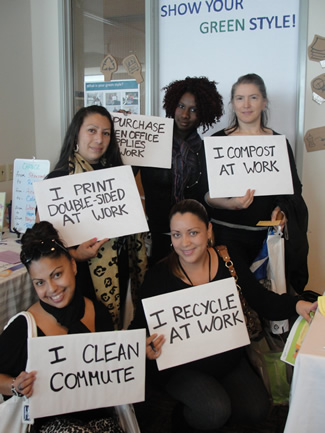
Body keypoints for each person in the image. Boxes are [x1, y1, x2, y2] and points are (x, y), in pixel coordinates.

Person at [130, 199, 316, 433]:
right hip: (182, 367)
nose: (184, 243)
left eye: (193, 232)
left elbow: (260, 298)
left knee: (256, 409)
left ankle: (209, 414)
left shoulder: (228, 260)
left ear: (209, 230)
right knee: (214, 410)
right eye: (177, 234)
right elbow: (137, 329)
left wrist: (297, 304)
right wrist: (142, 346)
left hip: (227, 359)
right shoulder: (159, 276)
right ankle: (184, 419)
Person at [0, 221, 124, 433]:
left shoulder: (98, 313)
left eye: (57, 274)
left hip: (101, 419)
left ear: (74, 266)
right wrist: (15, 385)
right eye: (40, 282)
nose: (52, 289)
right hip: (50, 425)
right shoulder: (25, 327)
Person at [45, 105, 148, 329]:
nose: (99, 139)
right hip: (77, 274)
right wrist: (75, 254)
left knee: (111, 329)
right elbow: (41, 243)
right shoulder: (56, 179)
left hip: (118, 269)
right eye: (92, 130)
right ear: (77, 133)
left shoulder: (117, 174)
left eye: (106, 133)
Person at [205, 73, 309, 293]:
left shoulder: (279, 142)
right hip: (226, 237)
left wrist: (282, 210)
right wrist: (230, 204)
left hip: (266, 240)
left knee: (267, 301)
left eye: (253, 97)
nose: (246, 104)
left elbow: (293, 189)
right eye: (240, 98)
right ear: (232, 103)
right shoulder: (216, 142)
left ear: (264, 101)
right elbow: (204, 194)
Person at [139, 76, 224, 265]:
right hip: (157, 238)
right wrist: (121, 131)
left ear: (204, 113)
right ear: (171, 105)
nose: (185, 115)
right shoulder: (149, 143)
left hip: (193, 242)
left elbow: (209, 196)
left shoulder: (207, 152)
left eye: (194, 110)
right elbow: (123, 176)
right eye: (181, 106)